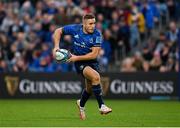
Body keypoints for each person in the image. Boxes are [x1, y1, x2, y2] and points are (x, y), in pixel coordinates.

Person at [52, 13, 112, 120]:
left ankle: (81, 105)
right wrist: (56, 46)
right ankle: (102, 106)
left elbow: (94, 54)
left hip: (91, 61)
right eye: (90, 23)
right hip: (80, 63)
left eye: (94, 23)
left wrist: (75, 58)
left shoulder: (97, 34)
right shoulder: (75, 29)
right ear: (84, 24)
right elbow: (58, 31)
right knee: (96, 77)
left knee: (89, 89)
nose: (93, 26)